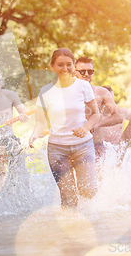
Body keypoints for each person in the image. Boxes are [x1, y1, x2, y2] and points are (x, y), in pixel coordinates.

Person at [29, 48, 100, 208]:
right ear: (52, 66)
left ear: (74, 66)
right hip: (57, 150)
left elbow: (96, 114)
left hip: (83, 146)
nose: (65, 68)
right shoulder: (45, 91)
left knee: (88, 190)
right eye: (60, 65)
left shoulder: (83, 86)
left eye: (69, 65)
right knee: (68, 198)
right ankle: (71, 228)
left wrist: (86, 127)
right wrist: (34, 135)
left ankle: (92, 225)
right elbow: (40, 122)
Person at [0, 68, 34, 208]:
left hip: (9, 139)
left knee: (20, 172)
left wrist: (24, 117)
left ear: (2, 81)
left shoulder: (10, 95)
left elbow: (26, 116)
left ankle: (24, 199)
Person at [74, 57, 123, 163]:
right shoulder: (66, 93)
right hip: (73, 145)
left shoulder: (102, 93)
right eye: (82, 71)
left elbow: (119, 117)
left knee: (97, 179)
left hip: (96, 145)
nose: (86, 74)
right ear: (74, 72)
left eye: (90, 71)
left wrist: (97, 124)